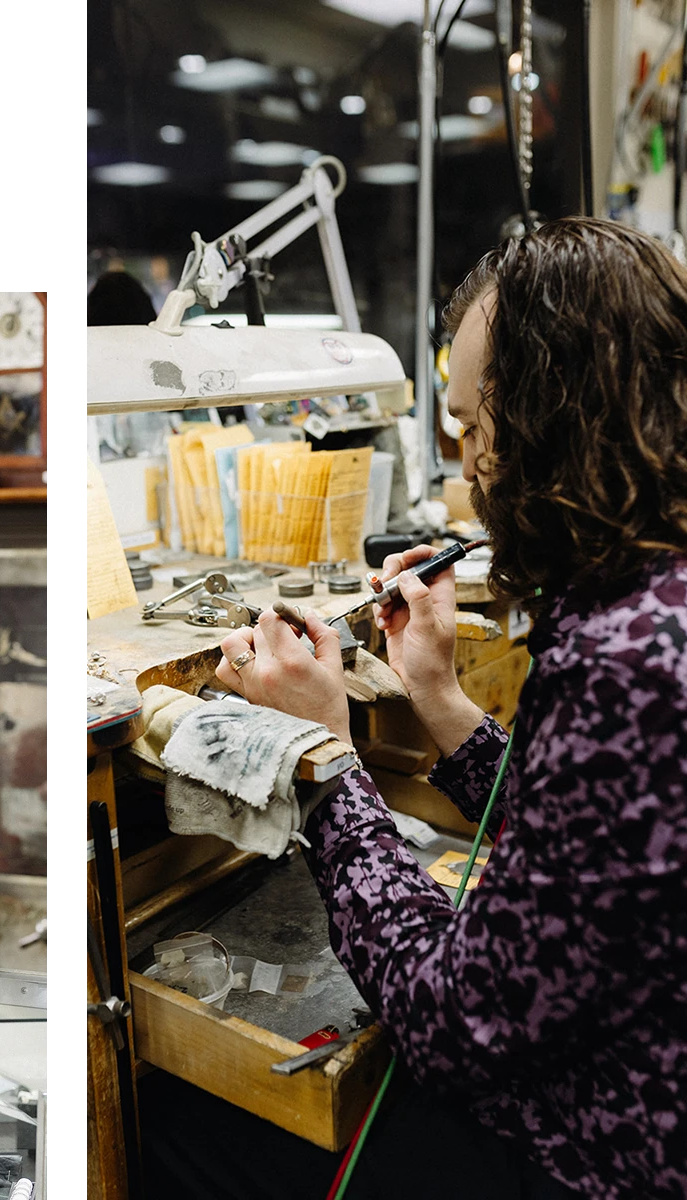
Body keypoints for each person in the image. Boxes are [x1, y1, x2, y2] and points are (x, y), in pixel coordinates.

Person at [148, 218, 687, 1199]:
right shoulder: (647, 603)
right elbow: (578, 841)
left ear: (552, 429)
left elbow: (451, 1021)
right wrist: (434, 693)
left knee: (171, 1127)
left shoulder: (630, 667)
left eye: (472, 429)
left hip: (595, 1154)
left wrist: (322, 761)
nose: (468, 470)